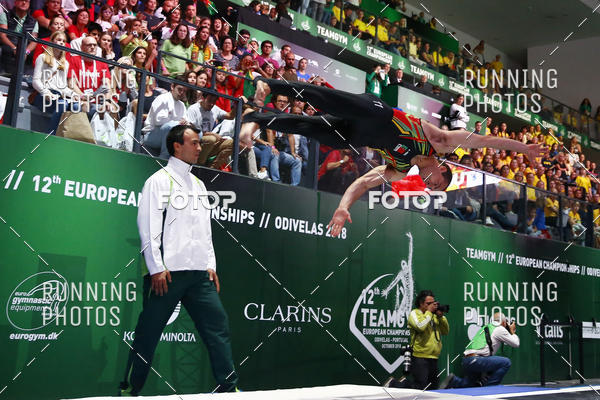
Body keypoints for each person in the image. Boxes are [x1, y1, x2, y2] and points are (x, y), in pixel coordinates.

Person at [240, 78, 546, 235]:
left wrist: (343, 207)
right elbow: (484, 141)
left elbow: (362, 183)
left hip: (356, 135)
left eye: (432, 189)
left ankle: (256, 117)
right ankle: (271, 85)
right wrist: (524, 148)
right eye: (436, 183)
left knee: (310, 128)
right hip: (376, 113)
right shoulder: (440, 143)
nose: (429, 186)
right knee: (330, 99)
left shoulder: (400, 170)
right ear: (442, 168)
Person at [119, 125, 239, 396]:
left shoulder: (199, 184)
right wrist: (156, 268)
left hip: (199, 275)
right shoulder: (158, 181)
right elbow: (148, 228)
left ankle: (228, 389)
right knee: (148, 334)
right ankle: (130, 390)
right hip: (167, 275)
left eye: (199, 143)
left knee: (218, 327)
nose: (199, 148)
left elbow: (205, 231)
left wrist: (210, 265)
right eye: (194, 143)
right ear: (177, 146)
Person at [385, 290, 448, 389]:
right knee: (420, 387)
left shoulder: (434, 316)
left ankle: (404, 382)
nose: (432, 305)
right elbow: (420, 327)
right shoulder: (414, 313)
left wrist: (441, 317)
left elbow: (445, 331)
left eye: (433, 303)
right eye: (428, 303)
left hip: (434, 357)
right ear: (421, 303)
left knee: (433, 388)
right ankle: (393, 383)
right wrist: (429, 312)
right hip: (420, 357)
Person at [441, 313, 519, 388]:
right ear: (504, 322)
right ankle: (490, 388)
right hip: (476, 360)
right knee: (506, 362)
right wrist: (512, 331)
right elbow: (516, 343)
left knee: (470, 384)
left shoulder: (487, 327)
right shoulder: (500, 329)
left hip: (466, 360)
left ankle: (454, 381)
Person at [31, 31, 75, 134]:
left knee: (76, 106)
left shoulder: (65, 63)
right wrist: (46, 92)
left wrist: (74, 95)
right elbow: (35, 81)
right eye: (59, 40)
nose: (62, 42)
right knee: (62, 104)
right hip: (42, 95)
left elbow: (63, 87)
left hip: (57, 96)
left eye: (64, 41)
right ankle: (50, 135)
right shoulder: (42, 57)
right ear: (52, 41)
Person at [187, 92, 236, 169]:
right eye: (209, 101)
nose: (212, 104)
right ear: (203, 98)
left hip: (210, 144)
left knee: (233, 143)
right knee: (211, 139)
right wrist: (214, 135)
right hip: (196, 143)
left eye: (214, 101)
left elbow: (230, 116)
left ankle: (212, 168)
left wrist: (237, 105)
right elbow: (193, 132)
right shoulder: (193, 109)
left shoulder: (215, 109)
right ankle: (199, 166)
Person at [141, 79, 188, 158]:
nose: (182, 93)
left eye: (184, 91)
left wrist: (185, 123)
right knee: (170, 127)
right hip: (151, 134)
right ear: (172, 87)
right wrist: (178, 123)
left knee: (196, 133)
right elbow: (158, 121)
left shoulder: (182, 105)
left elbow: (185, 121)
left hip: (170, 134)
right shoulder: (162, 98)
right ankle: (164, 159)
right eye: (180, 89)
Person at [0, 0, 39, 75]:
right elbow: (2, 35)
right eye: (21, 0)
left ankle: (24, 77)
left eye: (27, 1)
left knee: (31, 56)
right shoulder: (5, 15)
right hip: (8, 45)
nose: (24, 3)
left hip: (24, 47)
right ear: (15, 2)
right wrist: (14, 48)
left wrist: (26, 52)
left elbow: (34, 41)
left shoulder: (34, 21)